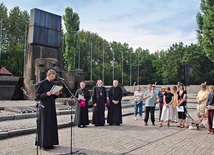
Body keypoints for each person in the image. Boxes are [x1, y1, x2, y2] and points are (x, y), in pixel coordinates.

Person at [36, 69, 59, 150]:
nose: (53, 78)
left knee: (51, 124)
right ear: (48, 75)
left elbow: (54, 96)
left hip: (51, 106)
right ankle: (43, 144)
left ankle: (51, 143)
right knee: (45, 125)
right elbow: (38, 96)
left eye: (54, 77)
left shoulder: (53, 84)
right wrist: (46, 94)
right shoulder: (42, 83)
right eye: (52, 76)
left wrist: (56, 94)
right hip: (44, 106)